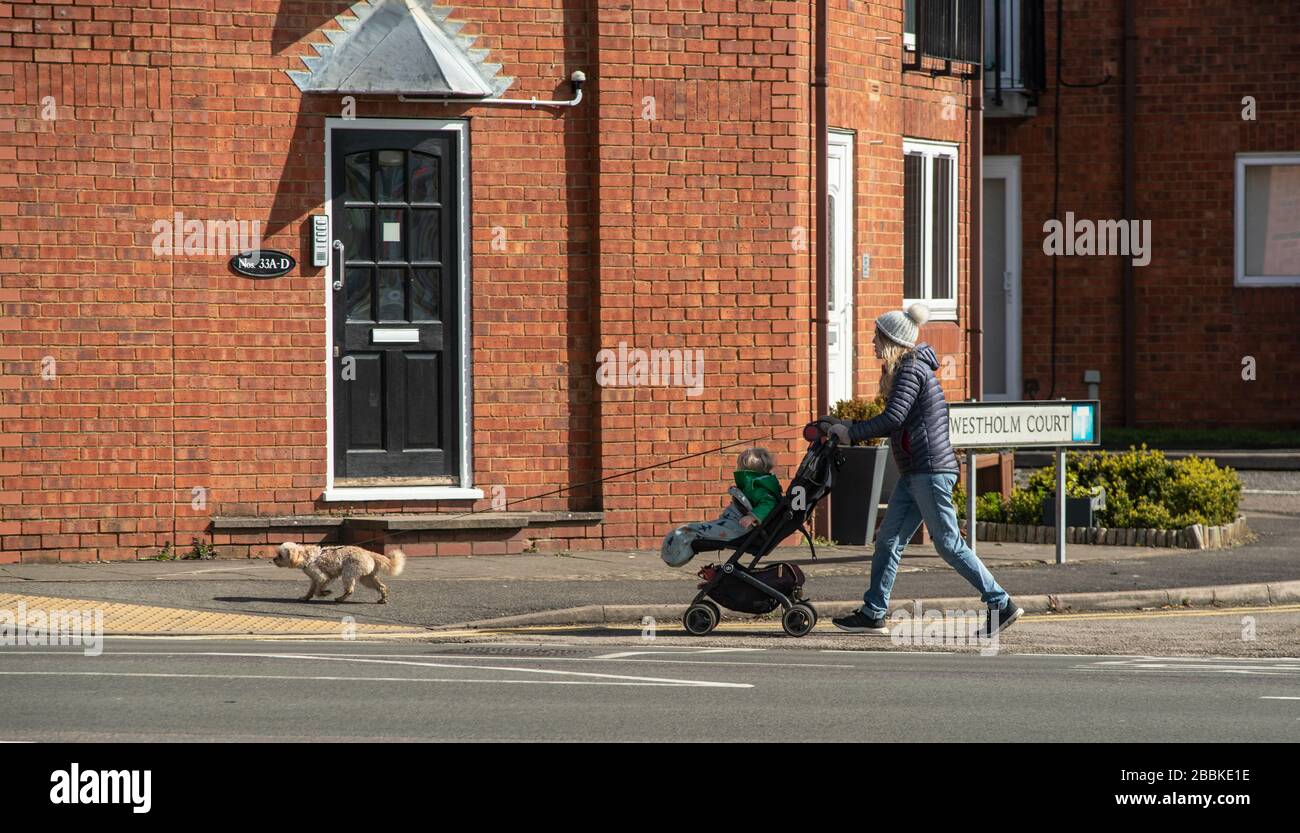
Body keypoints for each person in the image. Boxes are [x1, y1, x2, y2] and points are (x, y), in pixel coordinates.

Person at [819, 303, 1023, 639]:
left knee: (948, 544)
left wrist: (850, 432)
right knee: (888, 540)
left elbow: (893, 419)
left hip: (928, 471)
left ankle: (1000, 602)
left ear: (890, 340)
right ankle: (873, 612)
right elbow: (896, 419)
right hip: (916, 472)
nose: (871, 341)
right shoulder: (908, 368)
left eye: (876, 336)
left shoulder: (911, 368)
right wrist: (847, 425)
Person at [660, 447, 783, 567]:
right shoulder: (755, 484)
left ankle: (674, 557)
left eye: (739, 465)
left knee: (689, 531)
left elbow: (769, 503)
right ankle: (675, 556)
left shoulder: (758, 487)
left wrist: (752, 517)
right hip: (733, 524)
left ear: (746, 469)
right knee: (690, 530)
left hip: (739, 528)